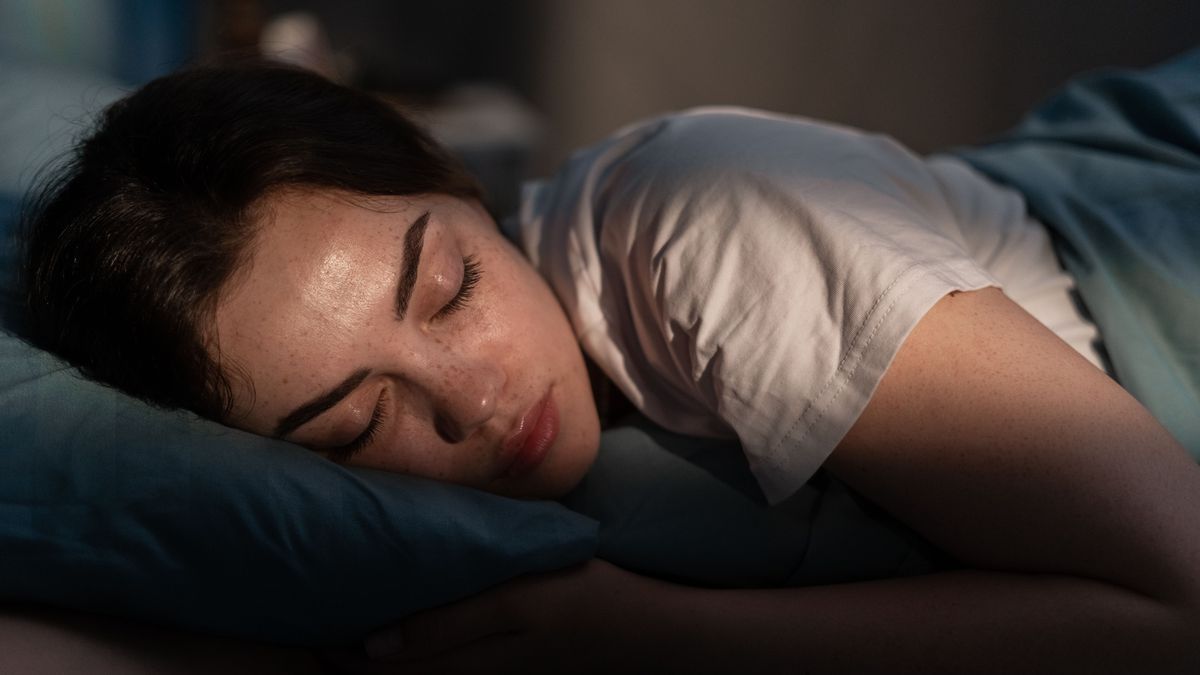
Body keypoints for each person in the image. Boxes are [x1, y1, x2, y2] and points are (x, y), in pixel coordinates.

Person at [20, 61, 1200, 673]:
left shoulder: (708, 221)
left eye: (451, 288)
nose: (475, 400)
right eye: (357, 426)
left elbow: (1181, 609)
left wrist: (659, 639)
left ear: (459, 182)